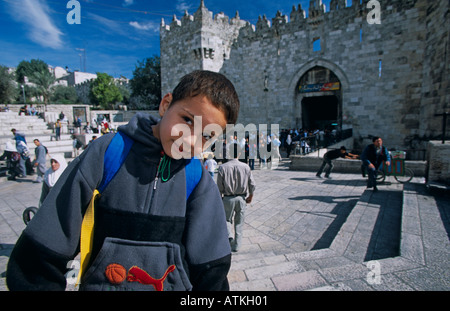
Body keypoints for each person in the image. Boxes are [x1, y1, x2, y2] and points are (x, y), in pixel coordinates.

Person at [7, 70, 240, 291]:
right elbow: (46, 243)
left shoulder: (196, 178)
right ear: (165, 104)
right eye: (187, 120)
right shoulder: (108, 152)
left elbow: (211, 267)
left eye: (206, 135)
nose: (190, 140)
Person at [217, 143, 256, 252]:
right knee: (239, 222)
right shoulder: (245, 167)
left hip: (227, 198)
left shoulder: (222, 168)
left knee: (226, 219)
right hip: (241, 198)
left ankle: (229, 237)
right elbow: (252, 184)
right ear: (239, 153)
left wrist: (220, 198)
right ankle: (237, 246)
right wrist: (251, 196)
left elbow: (219, 187)